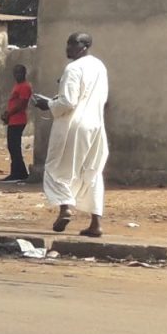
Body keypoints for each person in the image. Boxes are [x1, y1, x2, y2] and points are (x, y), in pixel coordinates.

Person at [32, 32, 109, 237]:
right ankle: (96, 223)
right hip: (95, 124)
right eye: (67, 43)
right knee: (91, 171)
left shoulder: (73, 69)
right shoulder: (99, 66)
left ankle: (65, 208)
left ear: (85, 46)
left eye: (73, 44)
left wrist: (47, 104)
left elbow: (68, 103)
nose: (68, 47)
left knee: (55, 168)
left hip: (72, 126)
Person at [2, 64, 33, 182]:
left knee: (14, 147)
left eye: (19, 73)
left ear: (24, 73)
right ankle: (17, 172)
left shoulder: (24, 86)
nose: (17, 75)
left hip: (18, 119)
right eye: (15, 73)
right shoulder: (18, 85)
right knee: (12, 146)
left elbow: (21, 104)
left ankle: (18, 173)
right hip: (13, 119)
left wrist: (8, 114)